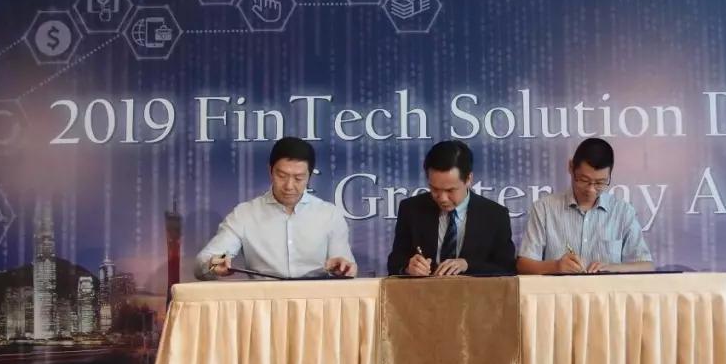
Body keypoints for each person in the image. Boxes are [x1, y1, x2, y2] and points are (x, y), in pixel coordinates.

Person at [195, 137, 357, 280]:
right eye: (282, 176)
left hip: (317, 301)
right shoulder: (244, 215)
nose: (289, 186)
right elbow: (203, 263)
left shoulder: (329, 215)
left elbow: (348, 268)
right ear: (270, 171)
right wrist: (214, 263)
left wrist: (343, 269)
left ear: (309, 176)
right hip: (262, 301)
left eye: (298, 178)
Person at [517, 138, 653, 274]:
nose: (591, 190)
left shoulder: (623, 212)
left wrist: (613, 268)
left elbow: (646, 266)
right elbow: (523, 265)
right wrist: (556, 266)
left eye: (600, 182)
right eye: (584, 180)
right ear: (571, 167)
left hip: (607, 288)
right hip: (560, 288)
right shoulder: (544, 209)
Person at [387, 140, 516, 276]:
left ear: (468, 179)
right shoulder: (411, 209)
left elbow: (506, 268)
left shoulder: (495, 215)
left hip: (475, 289)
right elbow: (394, 263)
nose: (442, 198)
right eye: (434, 189)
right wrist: (408, 268)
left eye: (450, 190)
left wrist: (467, 265)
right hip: (424, 289)